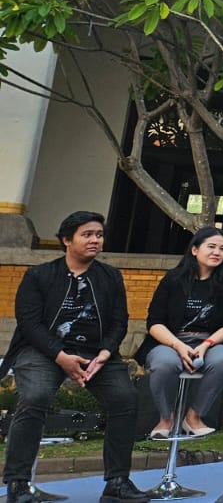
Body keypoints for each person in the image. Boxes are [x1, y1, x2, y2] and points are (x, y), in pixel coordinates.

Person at [1, 211, 149, 503]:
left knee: (125, 400)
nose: (95, 240)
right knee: (35, 397)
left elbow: (120, 320)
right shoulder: (38, 276)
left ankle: (117, 482)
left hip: (97, 353)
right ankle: (18, 485)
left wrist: (106, 353)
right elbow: (29, 323)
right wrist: (60, 356)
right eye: (87, 234)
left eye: (99, 235)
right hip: (44, 350)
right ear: (67, 240)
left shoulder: (110, 276)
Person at [136, 227, 223, 440]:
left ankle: (193, 417)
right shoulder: (173, 280)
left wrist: (206, 344)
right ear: (194, 250)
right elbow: (154, 323)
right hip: (170, 341)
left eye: (222, 249)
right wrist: (178, 346)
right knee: (164, 364)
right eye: (211, 247)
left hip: (208, 342)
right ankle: (166, 418)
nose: (217, 253)